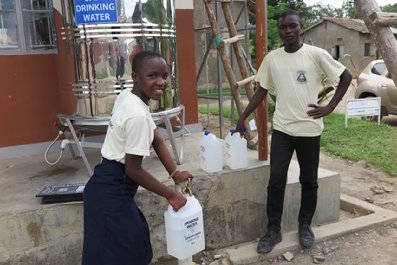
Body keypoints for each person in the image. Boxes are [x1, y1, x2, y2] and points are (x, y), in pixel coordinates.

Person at [235, 10, 352, 254]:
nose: (287, 31)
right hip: (283, 131)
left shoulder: (316, 55)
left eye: (292, 26)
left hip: (309, 131)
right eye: (283, 27)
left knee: (308, 181)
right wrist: (243, 116)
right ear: (278, 30)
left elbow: (346, 76)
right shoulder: (272, 59)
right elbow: (261, 90)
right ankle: (273, 230)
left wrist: (330, 107)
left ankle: (305, 225)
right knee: (276, 180)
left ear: (300, 28)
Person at [82, 51, 192, 265]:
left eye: (165, 76)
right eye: (153, 76)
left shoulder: (129, 96)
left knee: (126, 248)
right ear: (135, 77)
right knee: (130, 253)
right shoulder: (137, 115)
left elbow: (157, 139)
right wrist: (171, 194)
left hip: (105, 186)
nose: (161, 82)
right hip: (111, 190)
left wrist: (175, 173)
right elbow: (133, 170)